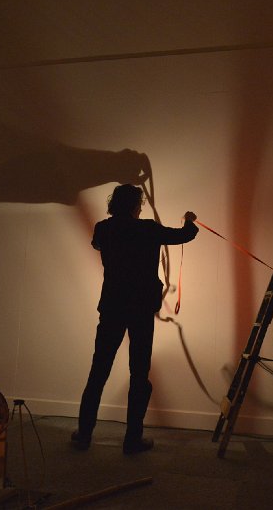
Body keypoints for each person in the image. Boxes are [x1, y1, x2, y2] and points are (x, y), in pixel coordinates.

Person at [73, 183, 198, 454]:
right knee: (139, 374)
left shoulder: (103, 229)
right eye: (139, 204)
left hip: (112, 307)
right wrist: (189, 220)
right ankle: (132, 439)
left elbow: (97, 244)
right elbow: (184, 236)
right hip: (140, 309)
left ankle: (84, 434)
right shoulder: (148, 229)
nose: (141, 208)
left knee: (98, 372)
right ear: (134, 206)